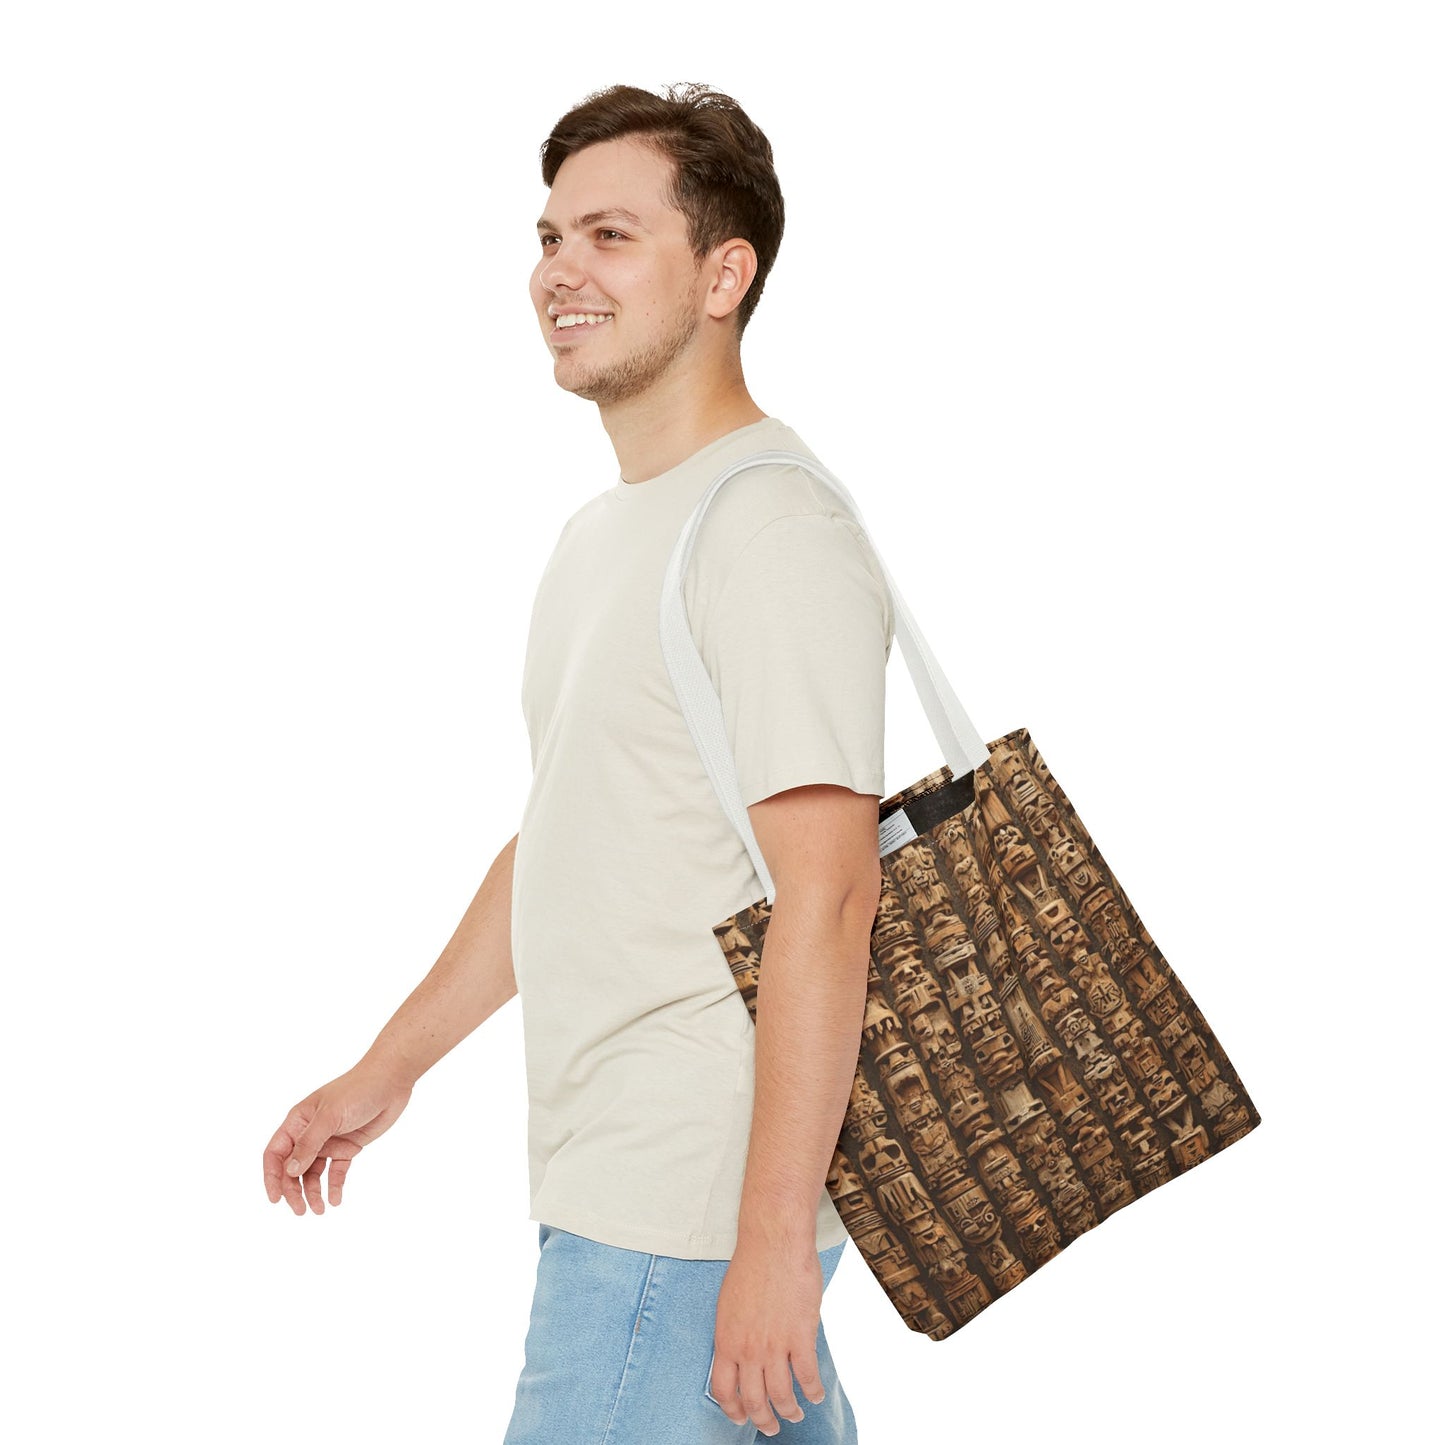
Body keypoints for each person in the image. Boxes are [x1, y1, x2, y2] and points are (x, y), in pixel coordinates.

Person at [262, 81, 894, 1443]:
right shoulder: (606, 535)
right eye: (550, 237)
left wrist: (769, 1247)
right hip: (625, 1188)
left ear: (723, 275)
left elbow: (832, 894)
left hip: (679, 1214)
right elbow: (567, 840)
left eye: (611, 235)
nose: (560, 271)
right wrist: (388, 1069)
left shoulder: (767, 529)